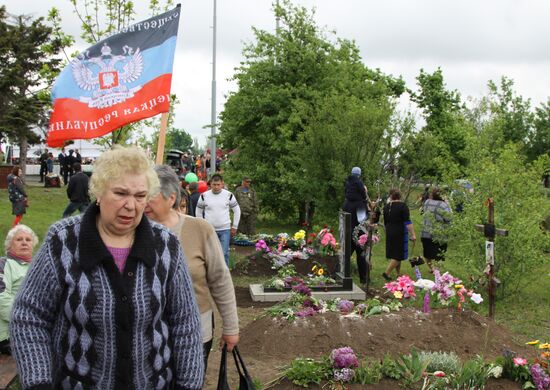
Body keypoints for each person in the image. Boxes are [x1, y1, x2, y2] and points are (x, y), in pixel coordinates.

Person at [10, 146, 204, 390]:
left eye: (140, 196)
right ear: (99, 193)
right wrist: (38, 382)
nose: (131, 206)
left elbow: (185, 322)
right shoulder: (63, 241)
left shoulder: (165, 245)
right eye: (121, 193)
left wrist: (188, 385)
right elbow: (29, 316)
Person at [145, 165, 239, 370]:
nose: (142, 201)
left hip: (195, 332)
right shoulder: (131, 232)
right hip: (145, 336)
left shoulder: (199, 229)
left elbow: (220, 280)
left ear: (171, 198)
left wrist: (230, 327)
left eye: (149, 194)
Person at [0, 225, 39, 355]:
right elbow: (2, 297)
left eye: (28, 240)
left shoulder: (37, 267)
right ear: (9, 245)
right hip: (10, 333)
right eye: (19, 239)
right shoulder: (4, 264)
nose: (24, 242)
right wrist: (26, 320)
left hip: (35, 328)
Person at [196, 173, 241, 266]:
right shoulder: (204, 196)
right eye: (214, 184)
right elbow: (198, 210)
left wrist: (235, 226)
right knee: (210, 254)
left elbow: (237, 210)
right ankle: (213, 274)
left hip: (225, 230)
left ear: (222, 184)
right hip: (209, 230)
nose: (216, 187)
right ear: (210, 184)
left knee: (224, 253)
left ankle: (225, 275)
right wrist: (201, 225)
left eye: (218, 185)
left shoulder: (229, 195)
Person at [342, 167, 369, 285]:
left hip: (346, 232)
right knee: (361, 255)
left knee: (345, 255)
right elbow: (363, 221)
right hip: (359, 234)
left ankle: (341, 274)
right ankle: (364, 278)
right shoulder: (360, 204)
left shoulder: (346, 201)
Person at [382, 189, 417, 281]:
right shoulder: (403, 206)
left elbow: (385, 221)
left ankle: (398, 273)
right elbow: (407, 222)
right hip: (399, 231)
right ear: (400, 196)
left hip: (389, 230)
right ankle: (387, 273)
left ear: (390, 196)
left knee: (395, 252)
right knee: (398, 255)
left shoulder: (386, 207)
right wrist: (413, 234)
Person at [421, 187, 452, 272]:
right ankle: (437, 270)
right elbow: (448, 218)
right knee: (439, 253)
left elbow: (423, 212)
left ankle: (431, 269)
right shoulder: (443, 205)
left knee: (427, 253)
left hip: (426, 231)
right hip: (439, 233)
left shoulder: (427, 202)